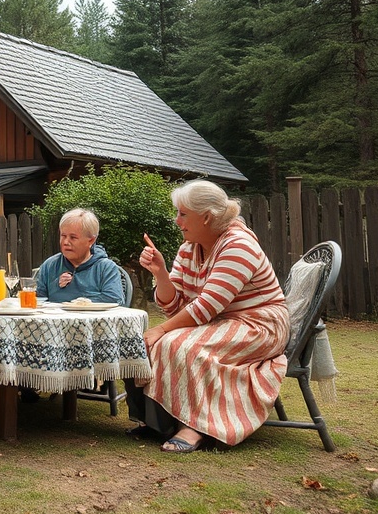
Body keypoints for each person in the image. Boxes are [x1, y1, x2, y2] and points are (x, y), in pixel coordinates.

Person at [128, 179, 290, 453]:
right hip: (215, 321)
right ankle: (158, 424)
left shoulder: (239, 245)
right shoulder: (189, 247)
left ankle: (195, 428)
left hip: (259, 324)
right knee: (146, 342)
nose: (177, 220)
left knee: (180, 345)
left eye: (182, 213)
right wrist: (161, 273)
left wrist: (162, 330)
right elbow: (175, 306)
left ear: (206, 217)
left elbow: (205, 307)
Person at [35, 208, 124, 304]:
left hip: (94, 319)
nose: (65, 242)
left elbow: (115, 300)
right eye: (63, 236)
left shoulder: (106, 268)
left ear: (91, 241)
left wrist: (81, 302)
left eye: (73, 237)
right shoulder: (50, 265)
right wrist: (55, 285)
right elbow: (38, 301)